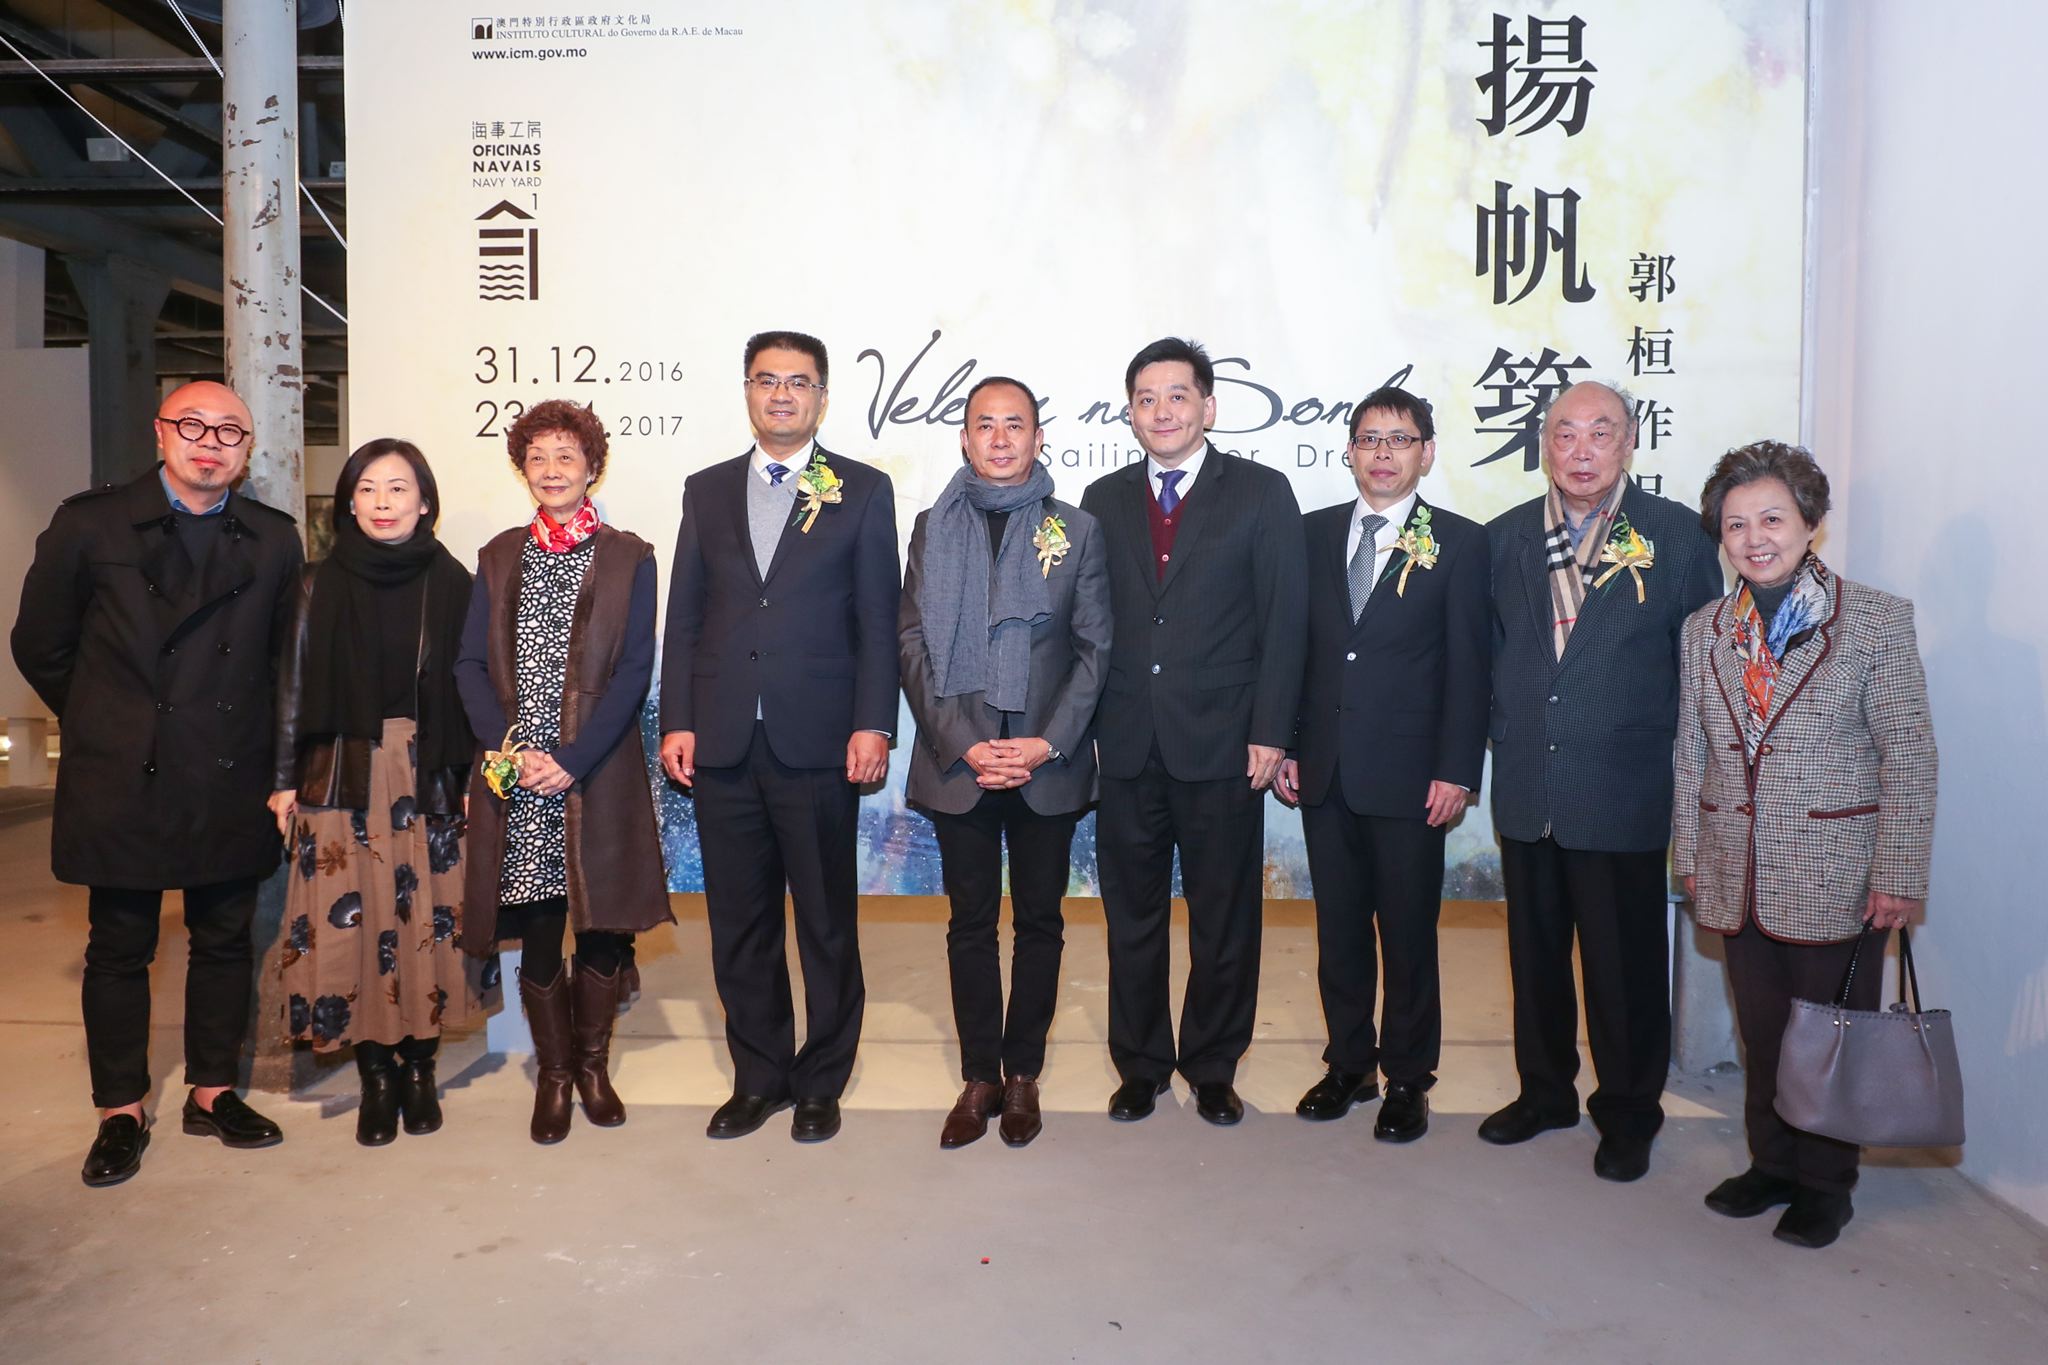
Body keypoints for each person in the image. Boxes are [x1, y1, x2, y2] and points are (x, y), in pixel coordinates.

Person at [11, 380, 302, 1186]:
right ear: (160, 433)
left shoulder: (274, 539)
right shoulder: (91, 524)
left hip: (228, 768)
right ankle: (121, 1108)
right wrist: (110, 718)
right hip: (123, 773)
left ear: (247, 450)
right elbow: (40, 642)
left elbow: (287, 662)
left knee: (223, 937)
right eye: (193, 425)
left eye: (229, 432)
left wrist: (281, 769)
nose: (210, 442)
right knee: (118, 945)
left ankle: (212, 1091)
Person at [1674, 440, 1937, 1248]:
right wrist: (1691, 855)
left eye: (1772, 519)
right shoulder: (1704, 630)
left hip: (1837, 871)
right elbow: (1691, 752)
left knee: (1830, 1038)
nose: (1755, 538)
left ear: (1810, 522)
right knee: (1763, 1033)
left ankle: (1826, 1183)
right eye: (1736, 524)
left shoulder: (1874, 620)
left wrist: (1898, 872)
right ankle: (1773, 1163)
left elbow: (1909, 752)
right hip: (1736, 869)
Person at [1479, 379, 1724, 1181]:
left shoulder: (1678, 535)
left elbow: (1702, 671)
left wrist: (1698, 790)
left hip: (1623, 787)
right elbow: (1491, 657)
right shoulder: (1505, 536)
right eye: (1565, 433)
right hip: (1529, 782)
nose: (1581, 450)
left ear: (1628, 442)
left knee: (1624, 968)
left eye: (1600, 432)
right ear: (1543, 444)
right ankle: (1544, 1091)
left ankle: (1628, 1112)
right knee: (1535, 957)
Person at [658, 331, 899, 1144]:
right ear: (748, 391)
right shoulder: (706, 490)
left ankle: (821, 1079)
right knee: (740, 922)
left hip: (820, 740)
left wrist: (873, 721)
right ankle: (759, 1076)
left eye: (799, 382)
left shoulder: (862, 489)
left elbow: (878, 620)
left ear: (822, 397)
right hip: (724, 739)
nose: (783, 394)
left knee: (826, 922)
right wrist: (679, 718)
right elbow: (685, 614)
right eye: (768, 380)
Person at [1079, 337, 1308, 1125]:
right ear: (1131, 413)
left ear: (1208, 406)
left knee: (1224, 917)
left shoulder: (1260, 492)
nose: (1162, 411)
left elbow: (1285, 620)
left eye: (1177, 396)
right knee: (1131, 916)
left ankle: (1212, 1063)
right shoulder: (1102, 497)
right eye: (1146, 398)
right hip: (1128, 743)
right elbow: (1090, 622)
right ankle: (1141, 1064)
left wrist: (1273, 730)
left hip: (1225, 743)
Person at [899, 376, 1111, 1149]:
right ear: (964, 438)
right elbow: (912, 642)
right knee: (970, 924)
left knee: (1041, 922)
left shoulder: (1076, 530)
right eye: (984, 424)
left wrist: (1044, 743)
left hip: (1044, 765)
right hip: (960, 762)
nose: (998, 438)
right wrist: (964, 740)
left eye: (1013, 424)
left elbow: (1095, 649)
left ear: (1037, 437)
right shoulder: (933, 526)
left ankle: (1022, 1073)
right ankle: (979, 1075)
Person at [270, 439, 500, 1146]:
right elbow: (291, 686)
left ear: (424, 502)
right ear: (348, 502)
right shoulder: (316, 583)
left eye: (397, 488)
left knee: (429, 922)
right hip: (343, 775)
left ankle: (420, 1067)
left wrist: (475, 775)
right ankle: (375, 1072)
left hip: (429, 771)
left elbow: (477, 688)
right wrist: (283, 781)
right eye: (367, 488)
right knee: (355, 926)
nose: (382, 502)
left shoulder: (455, 582)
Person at [454, 399, 672, 1145]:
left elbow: (634, 671)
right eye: (538, 457)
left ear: (592, 467)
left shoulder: (629, 556)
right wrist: (509, 747)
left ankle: (592, 1068)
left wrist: (572, 760)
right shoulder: (497, 556)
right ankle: (553, 1075)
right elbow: (469, 664)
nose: (552, 469)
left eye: (566, 456)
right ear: (523, 469)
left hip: (597, 767)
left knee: (602, 926)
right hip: (519, 776)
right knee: (543, 929)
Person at [1276, 386, 1489, 1142]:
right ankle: (1348, 1065)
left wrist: (1457, 769)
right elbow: (1293, 650)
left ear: (1426, 453)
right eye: (1369, 439)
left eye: (1400, 439)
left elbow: (1469, 667)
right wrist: (1288, 743)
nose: (1383, 453)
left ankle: (1407, 1077)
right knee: (1338, 931)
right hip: (1325, 769)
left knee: (1406, 934)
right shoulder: (1309, 534)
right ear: (1349, 451)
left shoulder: (1460, 542)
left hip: (1411, 777)